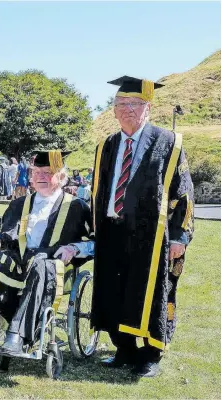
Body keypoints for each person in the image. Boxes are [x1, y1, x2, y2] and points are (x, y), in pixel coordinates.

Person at [91, 76, 194, 378]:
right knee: (115, 290)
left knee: (151, 294)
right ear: (113, 110)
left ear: (148, 108)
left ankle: (150, 355)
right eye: (121, 104)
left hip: (152, 236)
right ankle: (123, 349)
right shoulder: (107, 145)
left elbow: (184, 193)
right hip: (112, 231)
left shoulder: (168, 143)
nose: (127, 110)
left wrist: (180, 236)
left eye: (135, 104)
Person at [0, 150, 94, 354]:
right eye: (36, 172)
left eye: (48, 172)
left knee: (41, 263)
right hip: (18, 263)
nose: (41, 177)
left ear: (62, 177)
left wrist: (74, 248)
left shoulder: (77, 207)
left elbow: (95, 241)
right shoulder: (20, 203)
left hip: (50, 265)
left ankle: (17, 336)